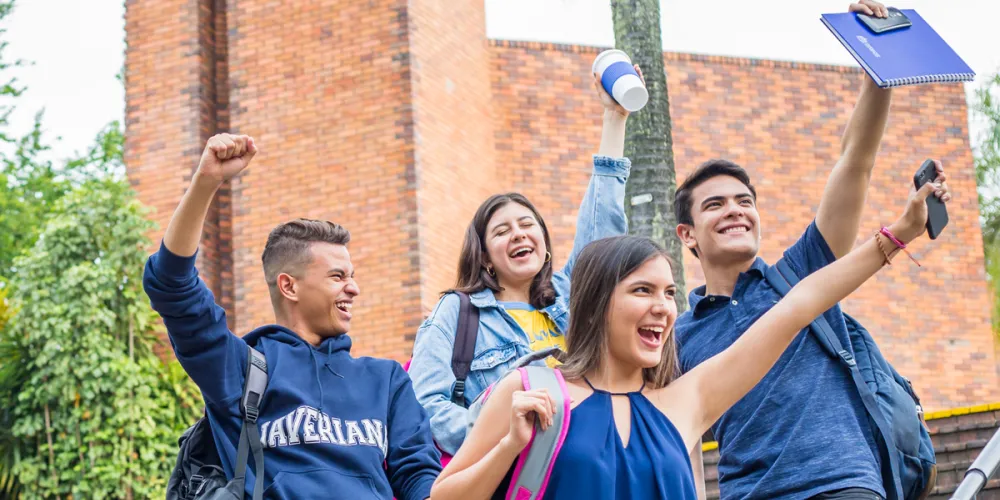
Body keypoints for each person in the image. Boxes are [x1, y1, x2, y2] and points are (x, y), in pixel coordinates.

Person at [428, 173, 950, 500]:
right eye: (642, 291)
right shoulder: (529, 391)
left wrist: (898, 235)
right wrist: (508, 447)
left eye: (670, 292)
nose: (663, 306)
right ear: (596, 303)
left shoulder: (687, 400)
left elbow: (797, 306)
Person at [671, 3, 951, 498]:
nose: (735, 211)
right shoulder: (678, 336)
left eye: (745, 201)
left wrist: (878, 72)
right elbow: (680, 438)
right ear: (687, 234)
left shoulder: (800, 271)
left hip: (846, 484)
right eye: (715, 205)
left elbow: (854, 163)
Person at [143, 134, 440, 499]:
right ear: (289, 286)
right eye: (337, 276)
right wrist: (205, 184)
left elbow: (418, 476)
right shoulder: (240, 370)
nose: (354, 288)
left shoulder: (386, 380)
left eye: (352, 275)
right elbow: (171, 284)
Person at [407, 68, 639, 456]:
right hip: (518, 476)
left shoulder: (570, 296)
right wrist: (502, 431)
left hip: (597, 462)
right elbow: (423, 411)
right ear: (485, 257)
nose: (518, 234)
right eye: (501, 232)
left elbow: (603, 229)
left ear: (545, 246)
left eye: (527, 225)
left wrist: (614, 119)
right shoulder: (456, 313)